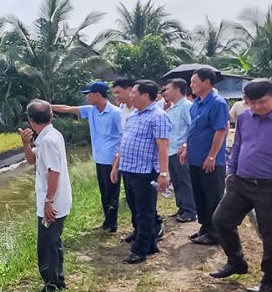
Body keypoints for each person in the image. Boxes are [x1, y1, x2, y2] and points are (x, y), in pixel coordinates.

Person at [209, 79, 272, 292]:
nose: (256, 107)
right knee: (221, 220)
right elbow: (238, 145)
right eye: (250, 102)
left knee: (270, 236)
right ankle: (236, 262)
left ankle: (269, 283)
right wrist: (231, 171)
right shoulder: (245, 117)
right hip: (241, 182)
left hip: (271, 188)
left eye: (262, 102)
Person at [111, 80, 171, 264]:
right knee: (135, 207)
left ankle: (140, 250)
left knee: (145, 211)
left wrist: (164, 173)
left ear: (145, 95)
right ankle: (148, 241)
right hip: (129, 169)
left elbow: (163, 147)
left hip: (145, 171)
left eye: (134, 92)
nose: (130, 96)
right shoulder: (133, 116)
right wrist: (116, 166)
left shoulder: (158, 116)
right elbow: (124, 142)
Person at [19, 100, 73, 292]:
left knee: (46, 246)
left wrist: (48, 202)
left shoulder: (49, 140)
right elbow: (31, 160)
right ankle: (58, 280)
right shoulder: (47, 136)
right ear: (51, 116)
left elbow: (54, 172)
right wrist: (26, 143)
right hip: (54, 200)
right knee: (54, 242)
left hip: (53, 203)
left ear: (31, 120)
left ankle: (52, 285)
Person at [53, 82, 121, 233]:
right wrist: (47, 107)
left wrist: (117, 161)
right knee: (104, 191)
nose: (88, 98)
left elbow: (124, 137)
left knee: (112, 192)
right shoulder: (91, 111)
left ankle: (112, 223)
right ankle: (108, 221)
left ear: (97, 95)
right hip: (99, 158)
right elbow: (68, 109)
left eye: (89, 95)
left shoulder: (115, 113)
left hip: (112, 159)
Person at [179, 68, 228, 246]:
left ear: (206, 82)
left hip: (210, 160)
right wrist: (187, 149)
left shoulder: (218, 103)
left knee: (213, 197)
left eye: (194, 82)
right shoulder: (196, 104)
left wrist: (212, 156)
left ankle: (215, 233)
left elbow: (220, 130)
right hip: (195, 158)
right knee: (199, 195)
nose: (191, 85)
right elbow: (194, 129)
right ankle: (205, 227)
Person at [162, 79, 197, 223]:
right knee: (176, 181)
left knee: (185, 181)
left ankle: (190, 210)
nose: (165, 92)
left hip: (180, 151)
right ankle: (182, 207)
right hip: (170, 150)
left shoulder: (187, 106)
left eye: (168, 89)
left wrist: (185, 145)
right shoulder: (171, 108)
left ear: (177, 89)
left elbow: (193, 128)